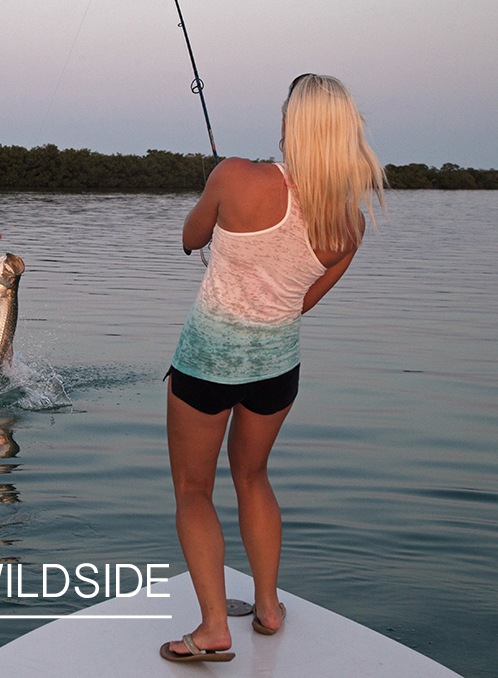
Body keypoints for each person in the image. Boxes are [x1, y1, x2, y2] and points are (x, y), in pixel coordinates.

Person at [160, 74, 386, 662]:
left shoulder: (234, 175)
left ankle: (213, 627)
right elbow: (300, 300)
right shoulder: (350, 224)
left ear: (295, 126)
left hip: (207, 364)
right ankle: (266, 607)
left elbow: (189, 237)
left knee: (192, 489)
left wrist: (220, 230)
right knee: (254, 478)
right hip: (276, 372)